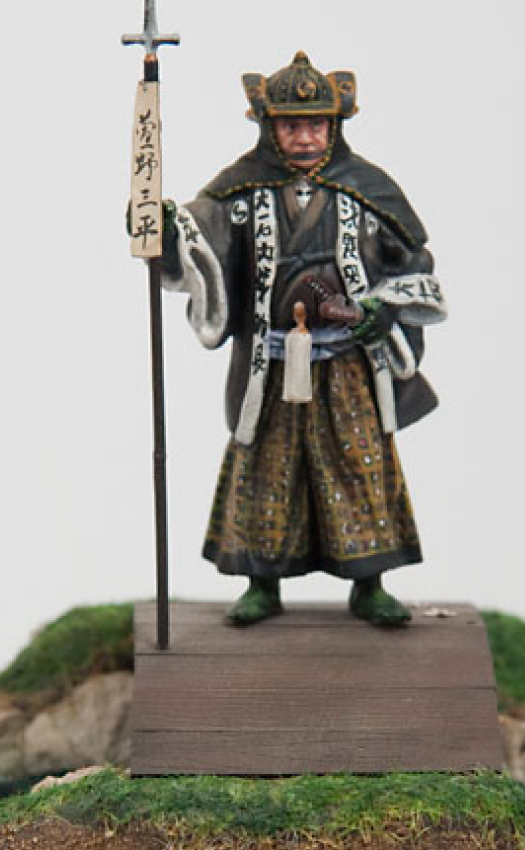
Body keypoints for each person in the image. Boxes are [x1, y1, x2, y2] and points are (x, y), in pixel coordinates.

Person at [149, 50, 447, 627]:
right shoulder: (240, 193)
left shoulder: (366, 191)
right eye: (291, 126)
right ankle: (262, 583)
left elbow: (413, 260)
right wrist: (164, 231)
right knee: (267, 466)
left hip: (347, 362)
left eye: (315, 124)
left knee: (358, 462)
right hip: (273, 360)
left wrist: (386, 308)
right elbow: (197, 235)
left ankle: (369, 583)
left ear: (334, 127)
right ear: (270, 128)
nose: (305, 137)